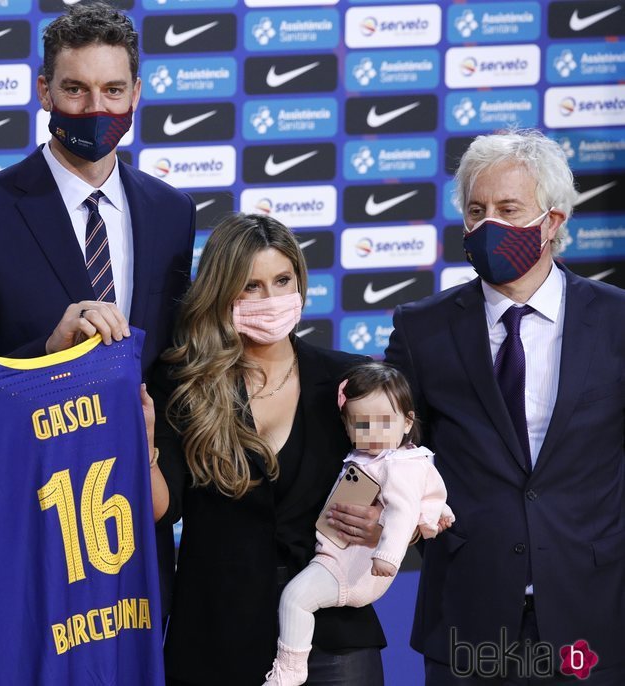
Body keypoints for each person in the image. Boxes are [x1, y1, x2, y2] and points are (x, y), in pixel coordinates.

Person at [0, 2, 194, 672]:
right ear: (44, 91)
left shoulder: (170, 213)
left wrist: (166, 490)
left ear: (136, 93)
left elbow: (173, 377)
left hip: (132, 554)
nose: (94, 107)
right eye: (74, 89)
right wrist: (43, 359)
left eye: (112, 90)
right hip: (25, 547)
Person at [385, 129, 625, 684]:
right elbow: (386, 450)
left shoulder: (615, 321)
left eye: (508, 208)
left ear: (553, 221)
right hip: (468, 613)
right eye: (476, 210)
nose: (487, 223)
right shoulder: (421, 329)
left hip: (594, 613)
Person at [152, 214, 386, 686]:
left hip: (332, 629)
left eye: (282, 280)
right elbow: (163, 508)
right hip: (218, 634)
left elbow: (387, 483)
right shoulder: (182, 384)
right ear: (223, 293)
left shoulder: (350, 380)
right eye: (251, 286)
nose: (272, 299)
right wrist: (143, 449)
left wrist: (378, 523)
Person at [265, 362, 454, 686]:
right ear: (347, 425)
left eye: (384, 422)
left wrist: (389, 556)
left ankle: (289, 671)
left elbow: (402, 512)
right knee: (295, 599)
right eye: (362, 424)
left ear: (407, 422)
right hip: (336, 556)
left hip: (354, 567)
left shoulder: (398, 464)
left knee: (295, 598)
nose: (373, 433)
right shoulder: (369, 457)